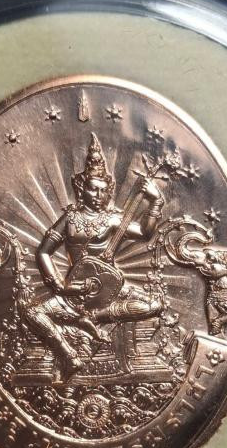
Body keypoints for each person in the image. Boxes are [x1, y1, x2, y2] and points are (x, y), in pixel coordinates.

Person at [23, 132, 165, 372]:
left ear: (109, 192)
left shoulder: (112, 219)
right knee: (32, 312)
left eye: (103, 191)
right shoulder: (70, 219)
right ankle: (67, 354)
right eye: (93, 189)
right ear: (81, 189)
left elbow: (144, 232)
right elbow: (43, 252)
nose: (98, 196)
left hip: (111, 289)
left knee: (155, 305)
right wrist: (59, 285)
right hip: (74, 291)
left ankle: (96, 317)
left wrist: (156, 202)